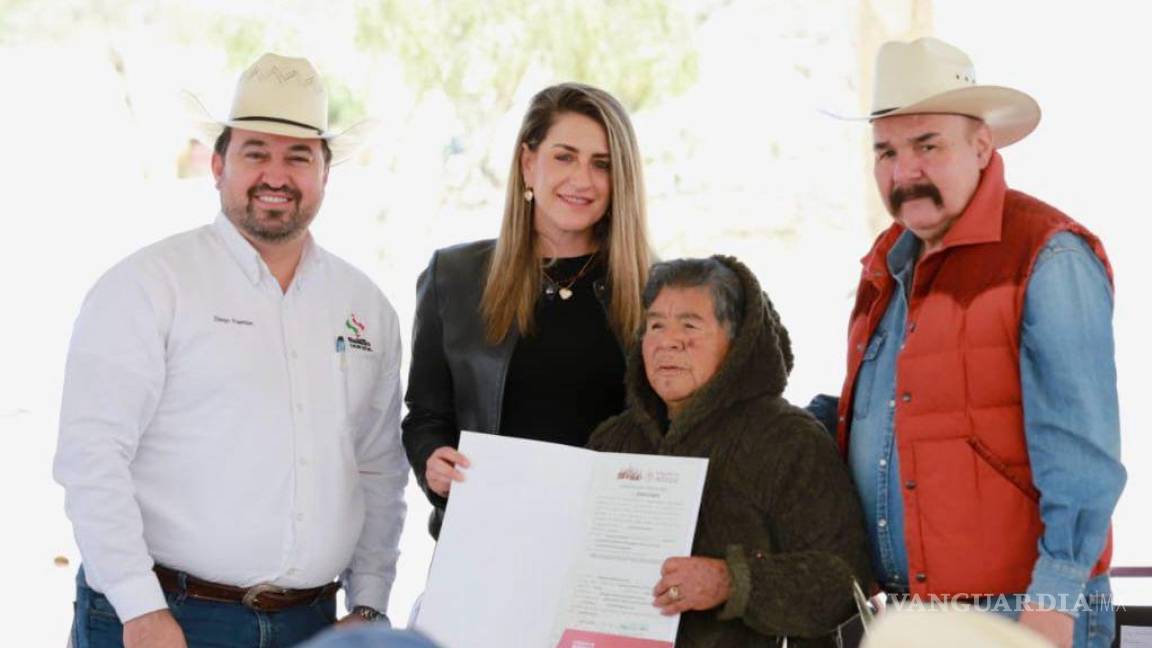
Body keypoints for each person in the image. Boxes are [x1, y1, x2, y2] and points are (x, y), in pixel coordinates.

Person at [54, 53, 409, 647]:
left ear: (326, 173)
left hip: (313, 623)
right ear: (218, 166)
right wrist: (140, 609)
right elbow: (93, 457)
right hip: (167, 616)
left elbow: (378, 465)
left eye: (299, 156)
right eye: (255, 153)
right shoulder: (148, 286)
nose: (277, 174)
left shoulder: (365, 305)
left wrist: (370, 603)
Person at [831, 37, 1124, 648]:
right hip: (916, 618)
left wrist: (1052, 604)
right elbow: (892, 420)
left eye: (927, 146)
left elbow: (1083, 457)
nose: (903, 172)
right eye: (885, 152)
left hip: (1023, 614)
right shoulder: (887, 266)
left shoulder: (1049, 255)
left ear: (981, 145)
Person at [401, 83, 651, 538]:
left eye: (603, 165)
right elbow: (425, 416)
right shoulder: (453, 277)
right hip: (486, 547)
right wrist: (432, 462)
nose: (582, 179)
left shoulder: (655, 289)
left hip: (609, 553)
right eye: (564, 156)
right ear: (527, 162)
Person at [589, 257, 873, 647]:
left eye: (689, 325)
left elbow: (844, 582)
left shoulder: (789, 439)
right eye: (656, 325)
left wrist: (732, 582)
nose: (668, 341)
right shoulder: (612, 443)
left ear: (738, 343)